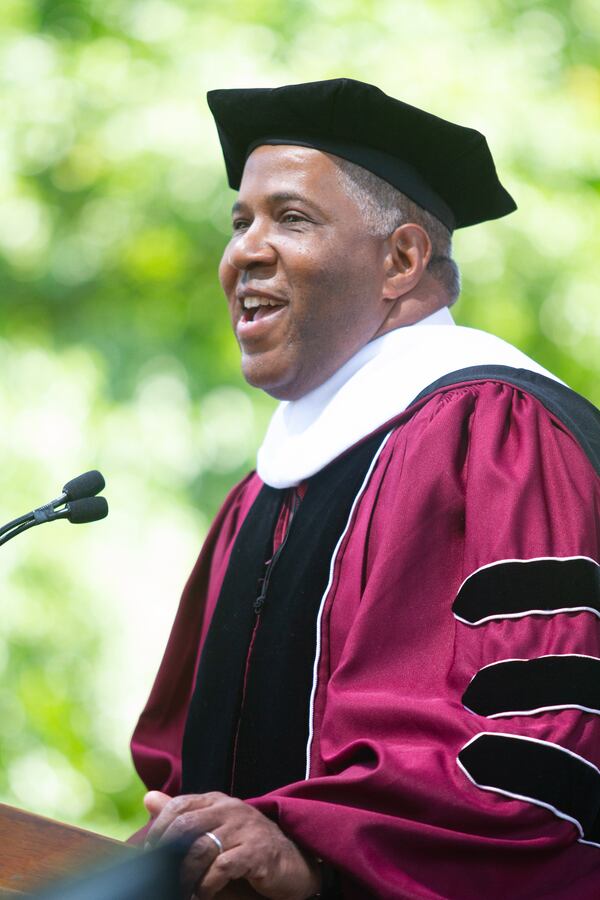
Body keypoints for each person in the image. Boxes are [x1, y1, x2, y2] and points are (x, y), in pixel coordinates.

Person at [131, 79, 600, 899]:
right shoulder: (265, 491)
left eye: (292, 218)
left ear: (402, 260)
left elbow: (541, 751)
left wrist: (310, 854)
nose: (246, 249)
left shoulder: (500, 437)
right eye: (239, 221)